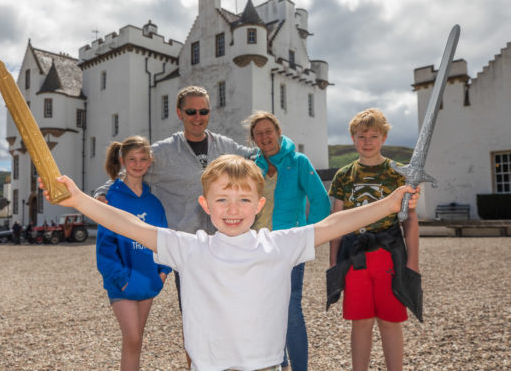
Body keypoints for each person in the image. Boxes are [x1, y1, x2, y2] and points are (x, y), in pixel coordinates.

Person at [40, 154, 420, 371]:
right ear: (205, 206)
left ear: (260, 205)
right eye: (222, 199)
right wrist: (78, 201)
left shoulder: (279, 245)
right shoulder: (189, 248)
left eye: (243, 200)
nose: (232, 209)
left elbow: (333, 223)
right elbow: (125, 224)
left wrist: (389, 204)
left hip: (267, 365)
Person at [94, 86, 256, 366]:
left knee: (231, 314)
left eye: (203, 111)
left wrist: (286, 150)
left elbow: (257, 155)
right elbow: (132, 169)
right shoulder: (163, 151)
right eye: (191, 111)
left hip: (225, 245)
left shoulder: (224, 146)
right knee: (195, 320)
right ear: (180, 113)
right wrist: (103, 191)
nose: (198, 117)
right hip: (189, 251)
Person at [326, 108, 422, 371]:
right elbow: (336, 220)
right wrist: (334, 263)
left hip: (389, 255)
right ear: (353, 138)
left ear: (384, 137)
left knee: (390, 321)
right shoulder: (344, 175)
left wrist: (412, 263)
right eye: (361, 136)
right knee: (361, 322)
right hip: (354, 257)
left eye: (373, 136)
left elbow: (410, 220)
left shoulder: (398, 174)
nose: (367, 142)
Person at [245, 111, 330, 371]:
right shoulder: (250, 166)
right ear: (254, 139)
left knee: (291, 310)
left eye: (268, 131)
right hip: (257, 246)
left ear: (279, 132)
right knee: (267, 311)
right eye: (258, 133)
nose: (264, 137)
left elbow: (321, 202)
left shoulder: (298, 162)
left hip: (288, 246)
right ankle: (278, 365)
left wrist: (306, 236)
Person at [98, 135, 171, 370]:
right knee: (132, 338)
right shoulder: (111, 198)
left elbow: (164, 240)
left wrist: (162, 273)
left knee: (136, 341)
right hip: (122, 282)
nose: (138, 164)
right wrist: (121, 280)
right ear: (122, 160)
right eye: (132, 159)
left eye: (143, 159)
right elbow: (104, 247)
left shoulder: (155, 202)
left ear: (149, 162)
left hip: (148, 280)